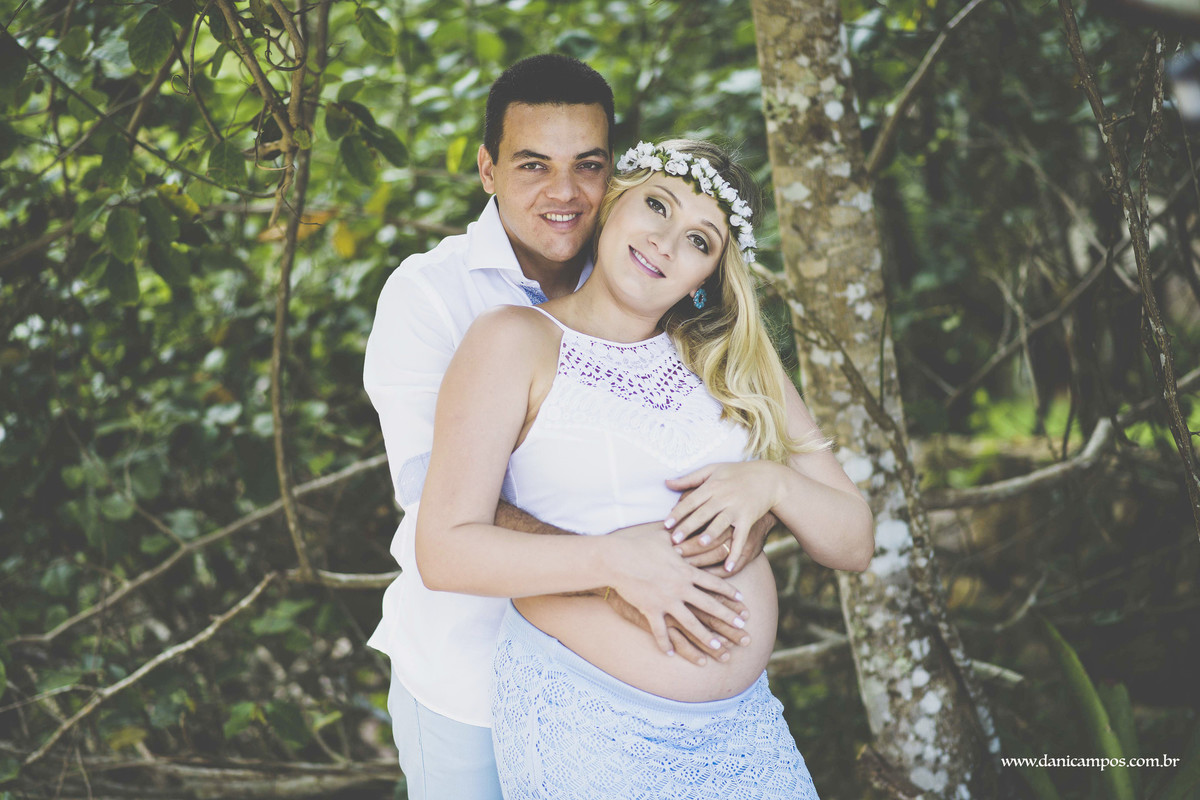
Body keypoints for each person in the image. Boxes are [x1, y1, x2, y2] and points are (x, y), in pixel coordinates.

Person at [365, 58, 786, 799]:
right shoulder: (429, 294)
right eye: (533, 165)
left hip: (635, 711)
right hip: (468, 679)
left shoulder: (643, 269)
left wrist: (751, 508)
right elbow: (440, 498)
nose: (564, 194)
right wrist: (618, 570)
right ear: (488, 169)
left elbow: (694, 445)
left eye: (587, 166)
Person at [415, 139, 876, 798]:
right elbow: (445, 551)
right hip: (591, 725)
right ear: (612, 205)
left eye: (699, 240)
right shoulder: (514, 341)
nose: (664, 241)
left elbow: (855, 539)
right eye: (657, 205)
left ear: (709, 276)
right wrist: (613, 563)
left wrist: (772, 481)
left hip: (746, 732)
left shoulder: (736, 365)